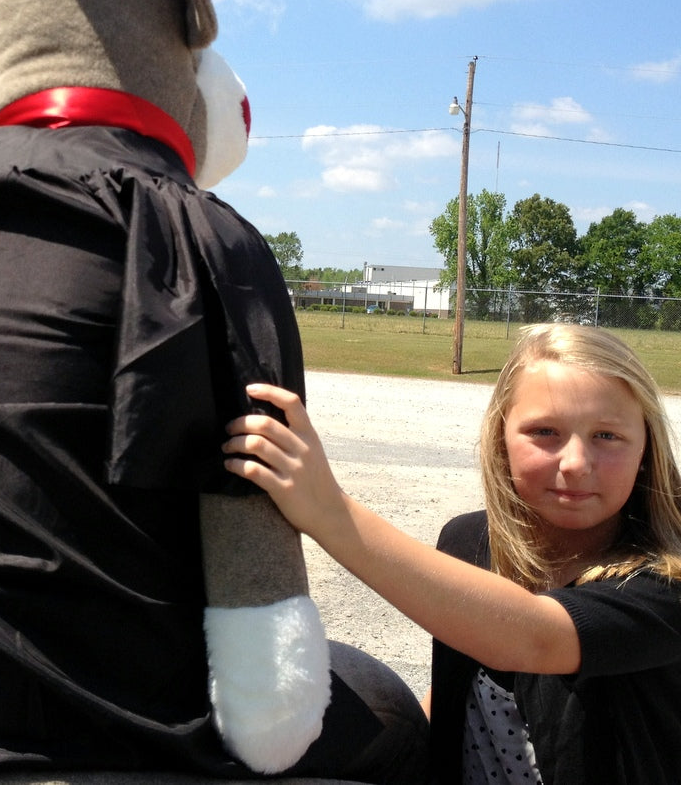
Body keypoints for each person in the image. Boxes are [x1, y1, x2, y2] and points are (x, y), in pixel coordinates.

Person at [223, 324, 681, 785]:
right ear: (500, 436)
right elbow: (457, 695)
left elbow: (533, 636)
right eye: (545, 431)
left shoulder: (666, 578)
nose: (576, 462)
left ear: (646, 448)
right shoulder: (467, 541)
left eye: (607, 436)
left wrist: (331, 514)